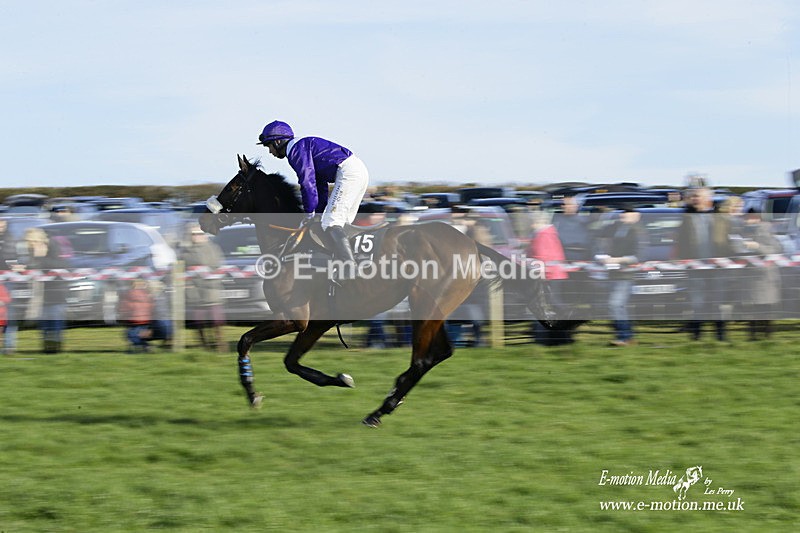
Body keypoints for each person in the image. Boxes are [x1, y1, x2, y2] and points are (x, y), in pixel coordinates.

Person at [257, 120, 369, 273]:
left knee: (331, 222)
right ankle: (353, 260)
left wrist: (309, 212)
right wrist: (317, 212)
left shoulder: (295, 150)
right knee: (341, 224)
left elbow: (307, 182)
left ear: (278, 141)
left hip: (348, 172)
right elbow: (319, 184)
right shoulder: (301, 146)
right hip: (358, 171)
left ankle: (350, 268)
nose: (270, 152)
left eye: (269, 146)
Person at [676, 185, 733, 341]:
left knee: (717, 302)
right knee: (697, 302)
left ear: (708, 198)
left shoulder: (720, 218)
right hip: (695, 269)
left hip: (717, 269)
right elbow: (680, 242)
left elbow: (729, 241)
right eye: (693, 196)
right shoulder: (686, 218)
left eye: (698, 196)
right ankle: (696, 336)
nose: (695, 199)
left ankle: (720, 336)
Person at [597, 209, 642, 346]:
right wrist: (603, 256)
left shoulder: (638, 232)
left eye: (627, 215)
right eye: (623, 214)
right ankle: (626, 336)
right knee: (619, 306)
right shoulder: (616, 229)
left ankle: (624, 336)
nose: (623, 217)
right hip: (613, 273)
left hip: (626, 275)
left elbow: (639, 256)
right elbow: (603, 244)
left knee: (615, 304)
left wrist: (618, 260)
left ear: (636, 217)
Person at [181, 224, 226, 352]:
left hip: (211, 290)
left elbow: (218, 266)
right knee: (198, 321)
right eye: (193, 234)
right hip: (195, 292)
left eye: (199, 234)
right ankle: (203, 344)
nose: (196, 237)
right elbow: (182, 269)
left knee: (217, 320)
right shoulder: (185, 252)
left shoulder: (213, 248)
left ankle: (220, 344)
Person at [739, 208, 782, 340]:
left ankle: (767, 335)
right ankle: (753, 335)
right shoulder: (743, 231)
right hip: (750, 274)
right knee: (752, 307)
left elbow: (776, 249)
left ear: (757, 218)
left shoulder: (767, 230)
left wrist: (758, 246)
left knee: (765, 306)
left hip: (765, 275)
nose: (748, 220)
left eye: (750, 218)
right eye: (746, 218)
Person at [118, 279, 154, 353]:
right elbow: (151, 306)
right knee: (140, 335)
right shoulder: (146, 293)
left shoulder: (129, 293)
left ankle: (145, 346)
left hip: (135, 320)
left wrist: (123, 315)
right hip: (146, 319)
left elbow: (124, 307)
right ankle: (143, 348)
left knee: (131, 335)